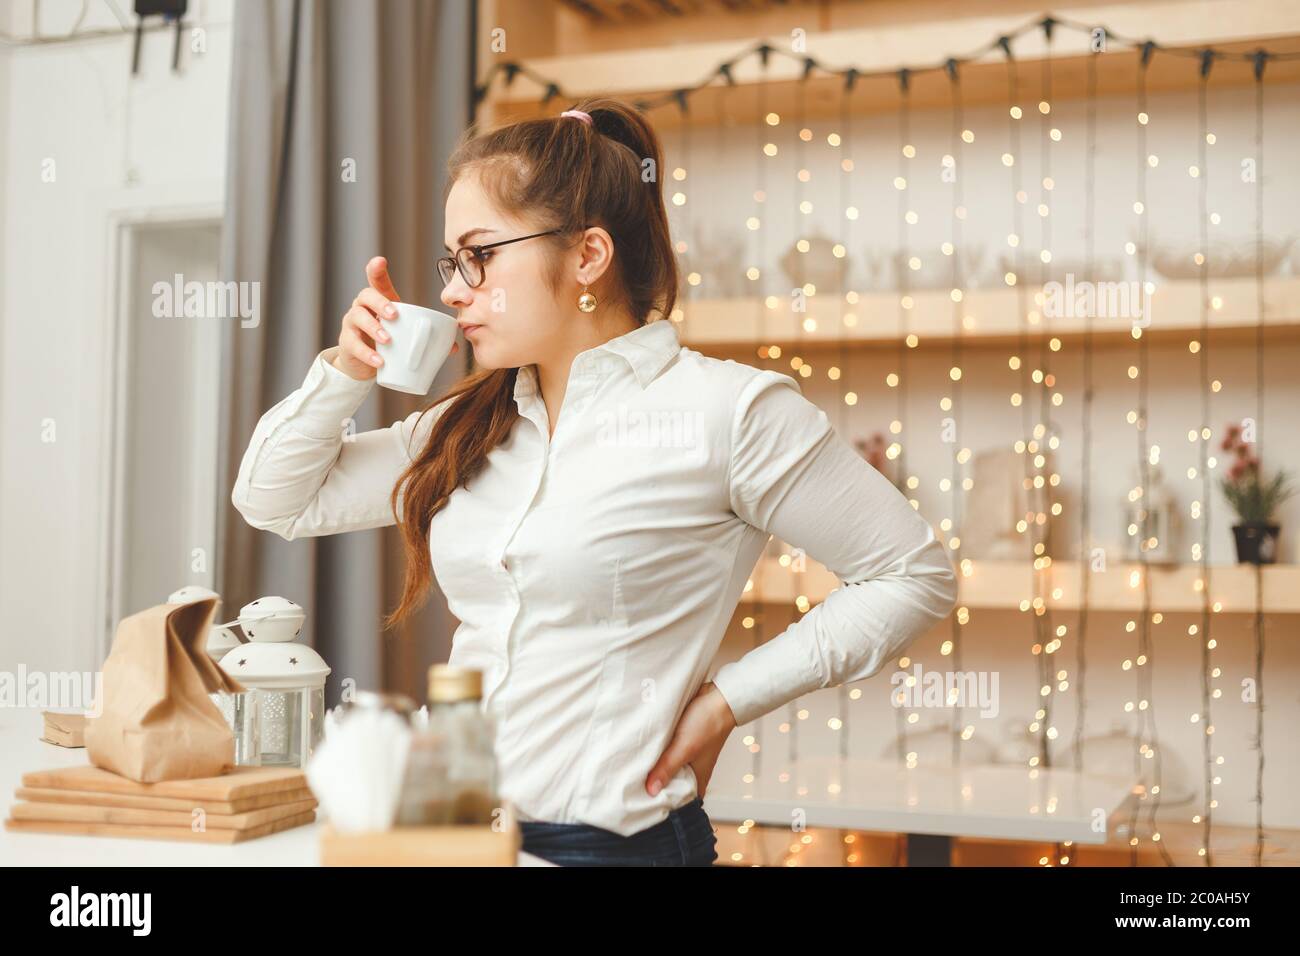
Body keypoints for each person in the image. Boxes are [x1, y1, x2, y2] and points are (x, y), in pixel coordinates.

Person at [231, 97, 959, 866]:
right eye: (452, 261)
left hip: (611, 848)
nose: (450, 290)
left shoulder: (728, 411)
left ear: (587, 257)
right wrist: (348, 369)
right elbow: (275, 498)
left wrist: (727, 704)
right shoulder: (466, 428)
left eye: (480, 255)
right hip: (453, 833)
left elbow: (913, 574)